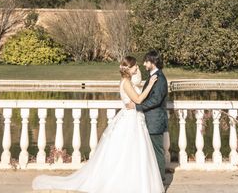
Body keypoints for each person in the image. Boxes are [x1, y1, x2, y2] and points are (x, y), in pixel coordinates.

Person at [32, 56, 165, 193]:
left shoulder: (130, 81)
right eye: (135, 66)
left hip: (135, 119)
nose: (138, 68)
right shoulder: (125, 82)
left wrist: (140, 79)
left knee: (135, 153)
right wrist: (149, 85)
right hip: (130, 120)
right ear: (129, 68)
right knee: (127, 152)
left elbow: (136, 92)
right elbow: (138, 99)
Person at [130, 49, 169, 182]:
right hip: (150, 120)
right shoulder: (153, 76)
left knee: (157, 152)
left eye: (146, 61)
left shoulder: (160, 78)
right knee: (151, 151)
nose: (144, 64)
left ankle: (161, 182)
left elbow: (156, 100)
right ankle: (154, 181)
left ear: (153, 62)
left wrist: (137, 106)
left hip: (155, 121)